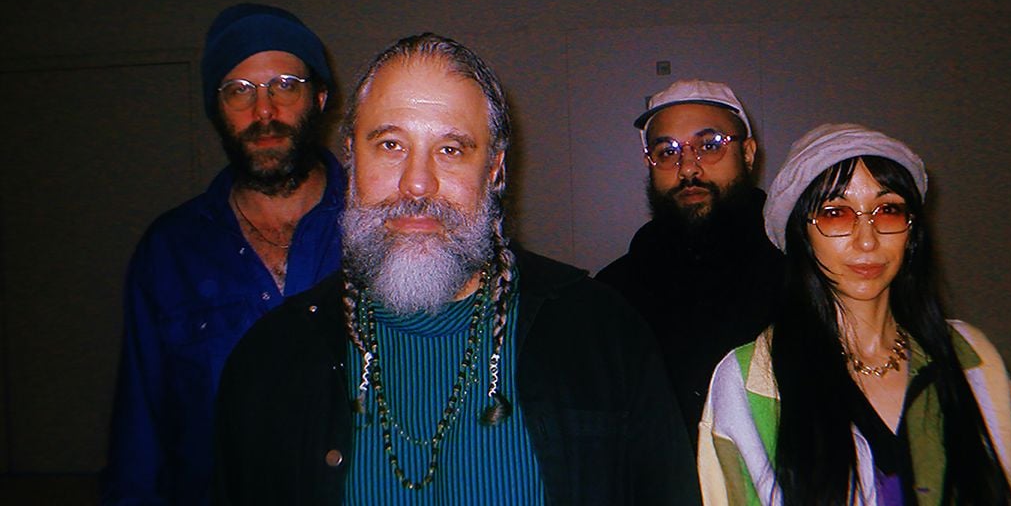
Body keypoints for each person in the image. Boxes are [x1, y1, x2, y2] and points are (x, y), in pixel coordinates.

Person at [212, 33, 700, 505]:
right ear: (351, 160)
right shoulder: (270, 362)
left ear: (494, 171)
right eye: (389, 145)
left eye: (450, 149)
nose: (417, 184)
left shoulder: (604, 335)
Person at [697, 123, 1011, 505]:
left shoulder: (973, 359)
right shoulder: (750, 381)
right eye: (836, 213)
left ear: (911, 230)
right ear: (802, 236)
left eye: (888, 210)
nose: (867, 239)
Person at [103, 3, 345, 505]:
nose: (264, 112)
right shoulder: (169, 252)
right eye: (239, 92)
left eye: (284, 84)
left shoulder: (385, 230)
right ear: (217, 111)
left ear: (319, 97)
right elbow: (140, 437)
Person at [596, 79, 784, 446]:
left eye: (709, 146)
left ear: (747, 153)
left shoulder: (799, 273)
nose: (687, 169)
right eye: (666, 152)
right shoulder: (613, 294)